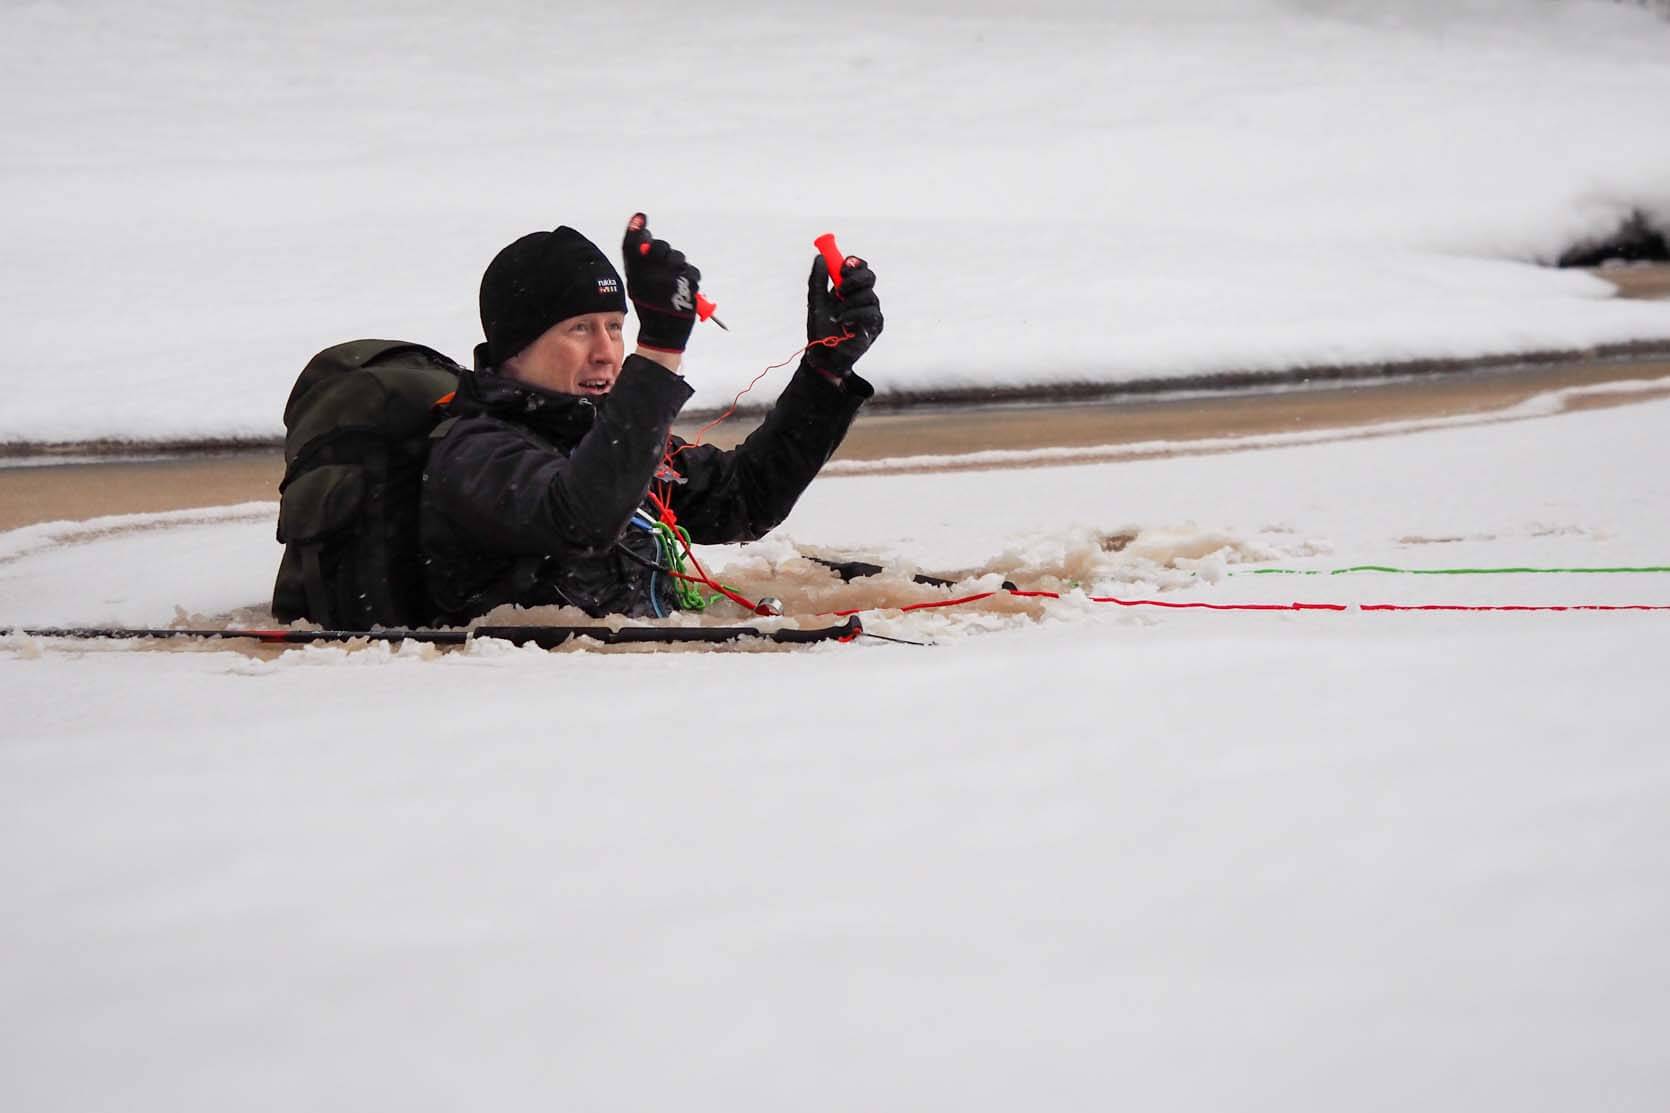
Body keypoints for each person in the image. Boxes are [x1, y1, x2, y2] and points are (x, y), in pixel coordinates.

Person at [420, 214, 883, 622]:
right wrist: (659, 352)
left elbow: (743, 500)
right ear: (515, 347)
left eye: (616, 327)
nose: (605, 353)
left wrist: (825, 374)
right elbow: (581, 519)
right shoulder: (473, 452)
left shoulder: (604, 435)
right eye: (579, 329)